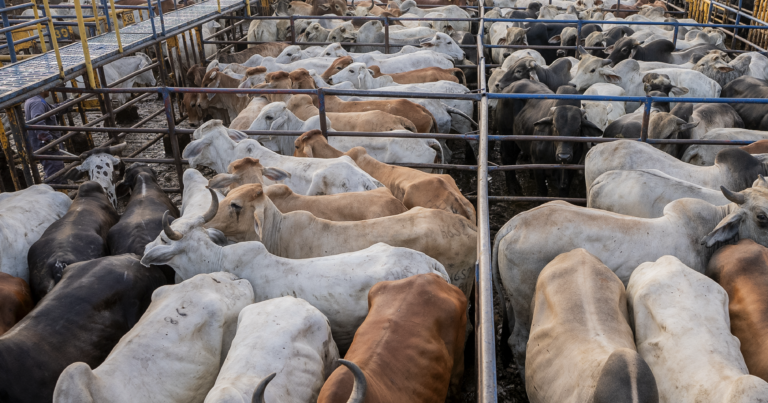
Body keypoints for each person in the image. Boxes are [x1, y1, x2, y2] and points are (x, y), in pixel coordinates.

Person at [23, 91, 69, 183]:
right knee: (56, 174)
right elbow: (37, 122)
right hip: (47, 146)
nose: (49, 90)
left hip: (43, 144)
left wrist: (69, 101)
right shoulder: (38, 103)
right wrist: (49, 140)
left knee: (54, 170)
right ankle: (56, 193)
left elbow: (53, 110)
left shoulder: (34, 100)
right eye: (47, 88)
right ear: (42, 89)